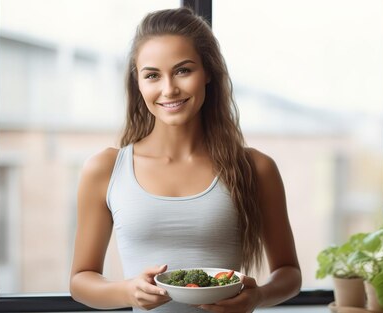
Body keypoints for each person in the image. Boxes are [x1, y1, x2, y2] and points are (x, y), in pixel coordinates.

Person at [69, 7, 301, 313]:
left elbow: (289, 273)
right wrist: (127, 292)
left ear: (207, 73)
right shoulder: (105, 169)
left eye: (183, 70)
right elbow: (80, 281)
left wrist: (257, 297)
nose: (169, 89)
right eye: (152, 75)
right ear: (138, 83)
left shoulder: (256, 168)